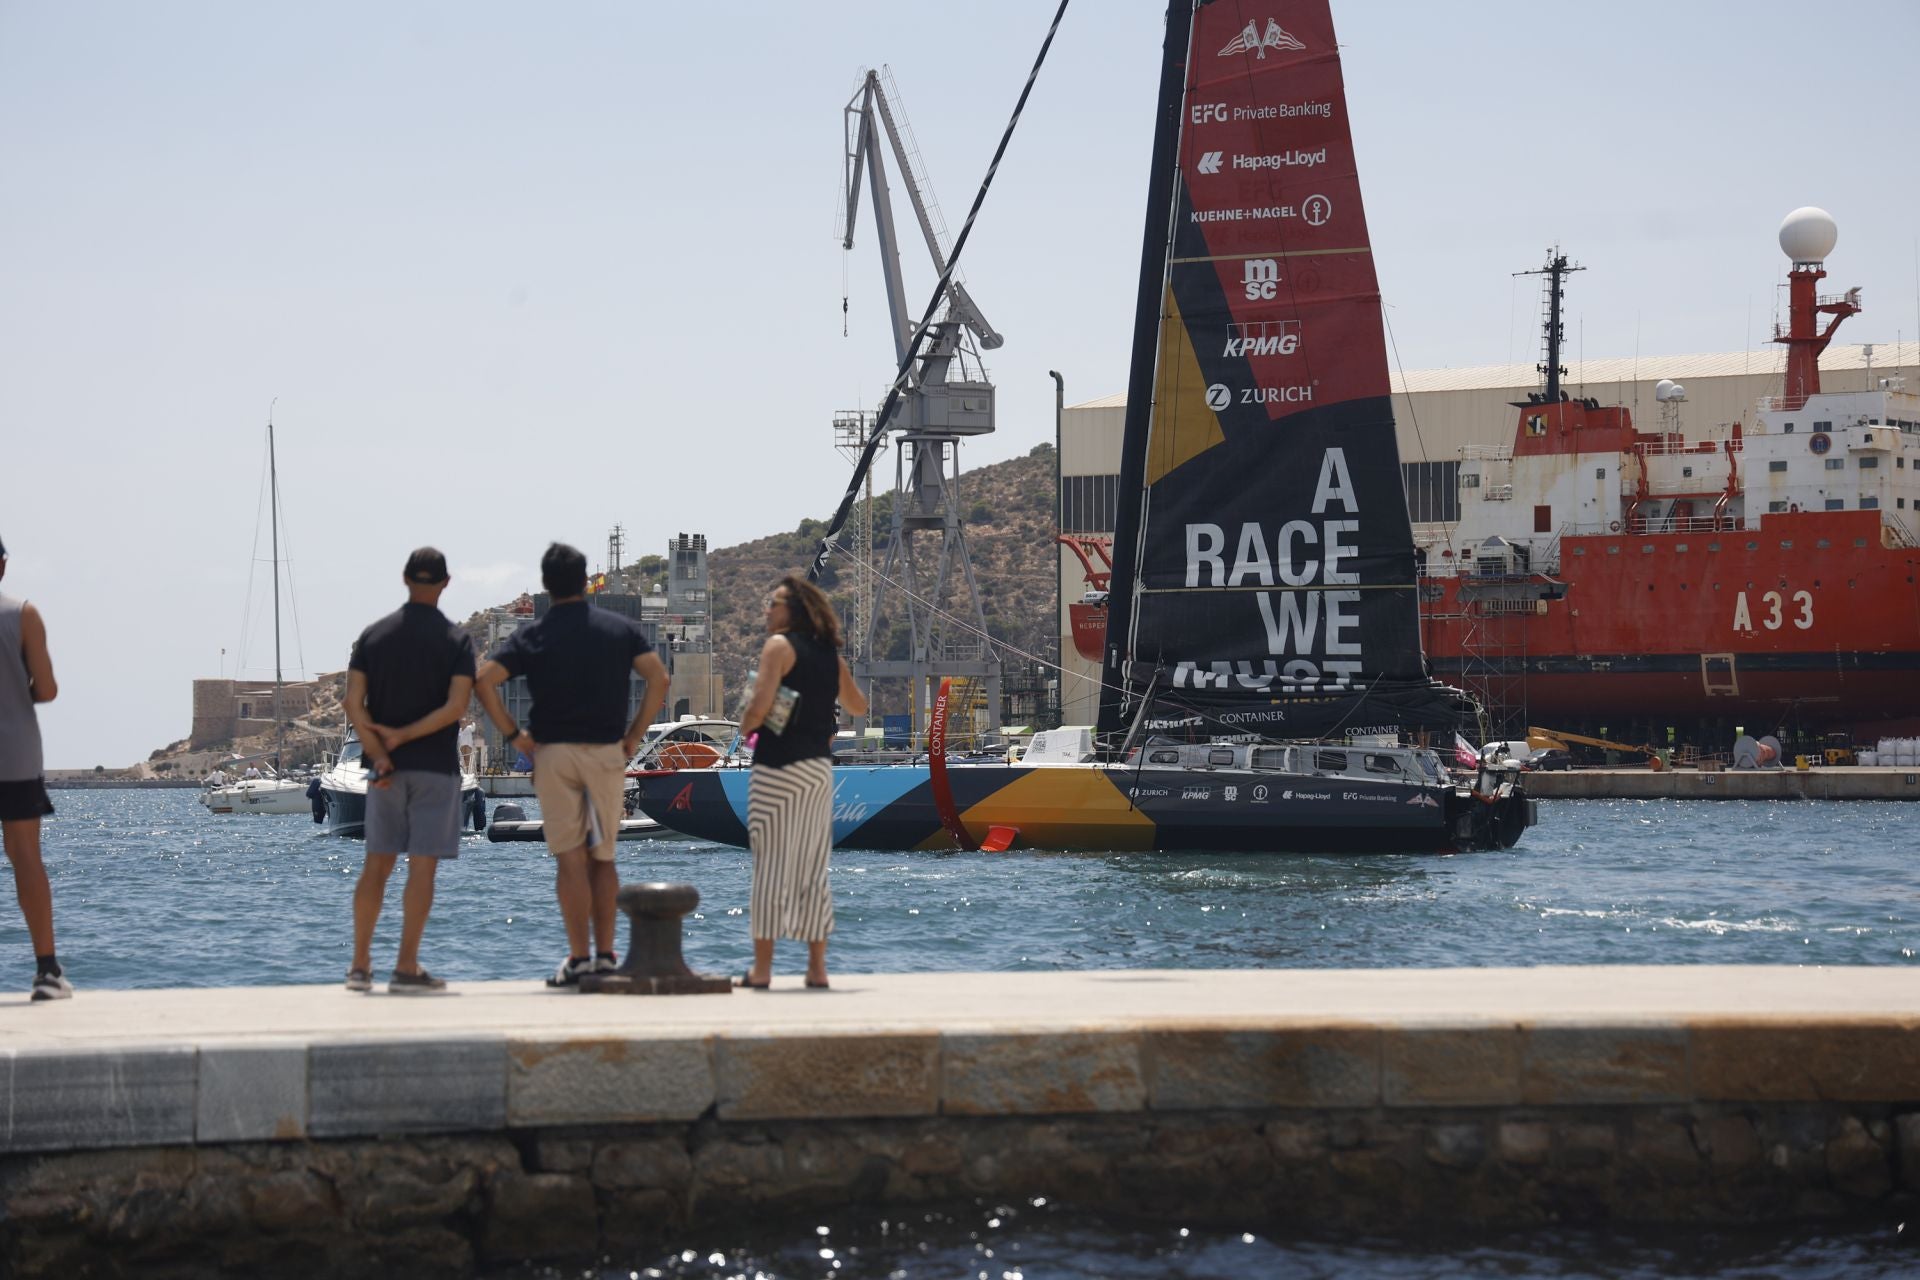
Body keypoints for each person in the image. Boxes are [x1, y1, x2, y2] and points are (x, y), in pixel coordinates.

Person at [475, 543, 669, 989]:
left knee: (570, 860)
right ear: (586, 581)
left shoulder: (532, 635)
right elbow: (659, 677)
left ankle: (579, 958)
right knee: (603, 856)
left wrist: (514, 735)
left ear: (546, 585)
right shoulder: (618, 629)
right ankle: (606, 956)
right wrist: (634, 736)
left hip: (554, 754)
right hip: (605, 752)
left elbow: (484, 680)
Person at [343, 547, 476, 995]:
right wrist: (408, 736)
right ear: (445, 582)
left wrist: (383, 749)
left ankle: (360, 966)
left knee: (376, 865)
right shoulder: (456, 641)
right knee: (422, 870)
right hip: (435, 769)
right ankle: (406, 967)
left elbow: (352, 705)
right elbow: (456, 707)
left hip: (385, 770)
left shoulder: (373, 637)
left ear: (404, 578)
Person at [738, 575, 867, 991]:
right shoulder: (831, 656)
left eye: (772, 603)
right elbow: (858, 705)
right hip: (816, 771)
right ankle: (817, 969)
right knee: (812, 867)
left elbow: (758, 706)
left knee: (770, 866)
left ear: (791, 611)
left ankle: (762, 971)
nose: (767, 610)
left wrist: (747, 723)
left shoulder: (778, 646)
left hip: (776, 768)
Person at [0, 535, 73, 1000]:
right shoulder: (23, 613)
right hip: (15, 752)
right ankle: (47, 972)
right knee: (25, 857)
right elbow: (46, 690)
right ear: (2, 565)